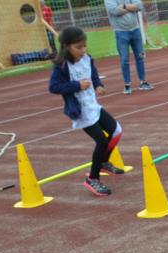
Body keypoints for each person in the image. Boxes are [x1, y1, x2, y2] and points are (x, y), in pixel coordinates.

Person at [48, 27, 127, 197]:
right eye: (78, 47)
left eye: (84, 46)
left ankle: (104, 162)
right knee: (101, 141)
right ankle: (92, 178)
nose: (83, 50)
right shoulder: (61, 66)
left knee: (116, 132)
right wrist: (76, 86)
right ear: (66, 47)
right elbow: (53, 87)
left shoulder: (87, 59)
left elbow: (94, 74)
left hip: (93, 105)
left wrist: (98, 85)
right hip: (81, 111)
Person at [104, 0, 154, 94]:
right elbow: (115, 11)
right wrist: (131, 7)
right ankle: (127, 85)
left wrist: (123, 6)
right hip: (120, 32)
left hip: (135, 30)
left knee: (140, 56)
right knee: (124, 59)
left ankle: (143, 82)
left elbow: (139, 6)